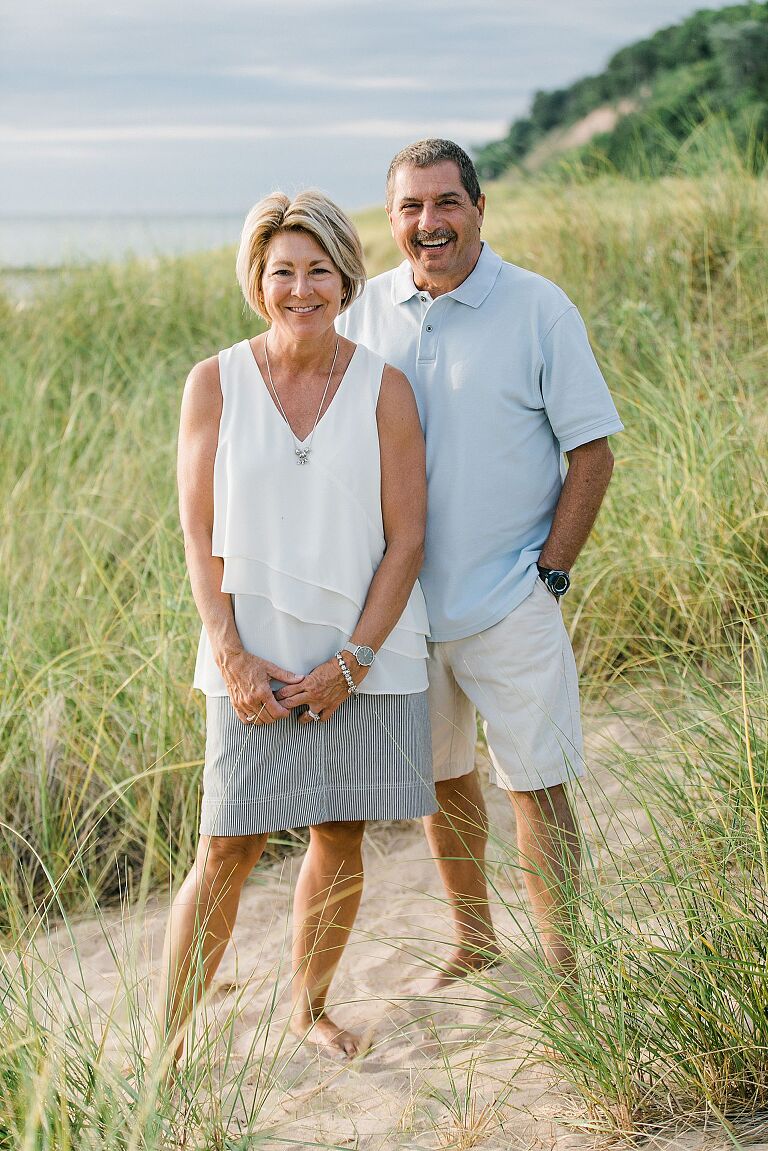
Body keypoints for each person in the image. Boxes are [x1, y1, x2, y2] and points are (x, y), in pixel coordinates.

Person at [158, 189, 437, 1060]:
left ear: (347, 276)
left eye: (319, 269)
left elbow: (409, 536)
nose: (302, 287)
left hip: (361, 648)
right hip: (252, 652)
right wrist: (231, 654)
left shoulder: (385, 387)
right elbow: (197, 533)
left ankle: (308, 1007)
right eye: (283, 270)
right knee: (227, 844)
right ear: (258, 279)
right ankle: (167, 1037)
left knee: (339, 833)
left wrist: (355, 658)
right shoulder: (216, 381)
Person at [338, 139, 623, 987]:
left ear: (478, 207)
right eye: (411, 208)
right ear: (391, 220)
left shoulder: (539, 308)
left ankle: (571, 965)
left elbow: (593, 454)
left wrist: (551, 575)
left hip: (511, 599)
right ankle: (475, 942)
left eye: (445, 202)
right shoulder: (363, 313)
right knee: (445, 783)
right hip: (406, 611)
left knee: (538, 785)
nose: (429, 223)